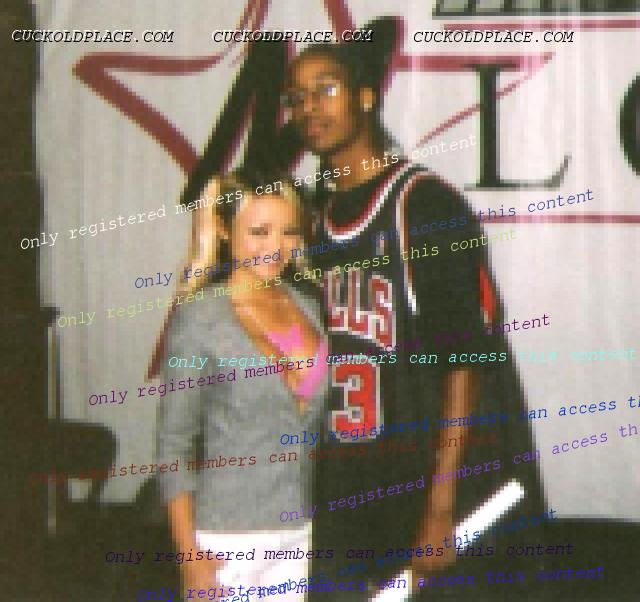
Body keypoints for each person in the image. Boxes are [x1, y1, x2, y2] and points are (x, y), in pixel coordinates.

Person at [284, 17, 546, 600]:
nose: (308, 107)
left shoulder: (423, 205)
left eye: (325, 89)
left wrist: (441, 507)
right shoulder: (310, 223)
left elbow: (467, 363)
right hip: (351, 489)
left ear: (365, 97)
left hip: (429, 489)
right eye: (296, 97)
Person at [153, 170, 328, 600]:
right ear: (224, 230)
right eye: (259, 232)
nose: (276, 247)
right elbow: (173, 447)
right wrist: (189, 558)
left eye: (288, 231)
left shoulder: (309, 306)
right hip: (225, 541)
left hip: (298, 532)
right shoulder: (199, 319)